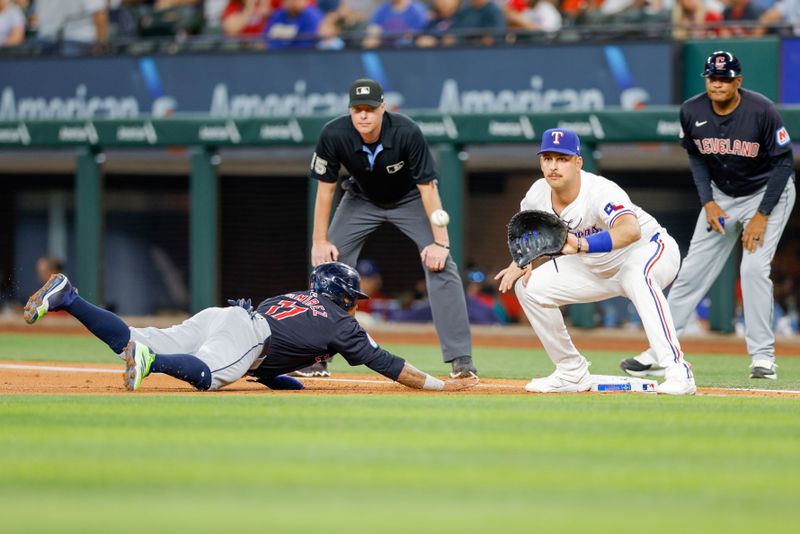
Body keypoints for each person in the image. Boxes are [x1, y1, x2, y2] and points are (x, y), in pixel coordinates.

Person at [23, 262, 478, 393]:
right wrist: (440, 386)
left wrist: (283, 381)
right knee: (206, 376)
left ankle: (70, 297)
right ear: (342, 296)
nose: (353, 307)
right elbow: (388, 364)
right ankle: (152, 363)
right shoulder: (341, 323)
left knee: (131, 336)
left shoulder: (291, 298)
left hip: (227, 315)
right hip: (250, 336)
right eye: (352, 299)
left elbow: (274, 356)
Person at [621, 51, 796, 380]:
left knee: (754, 269)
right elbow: (697, 159)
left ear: (738, 82)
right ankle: (662, 351)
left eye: (725, 78)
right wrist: (708, 202)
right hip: (721, 197)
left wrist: (761, 215)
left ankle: (762, 357)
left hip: (767, 193)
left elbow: (784, 163)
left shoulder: (762, 110)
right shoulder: (691, 110)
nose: (718, 83)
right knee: (690, 274)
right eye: (713, 78)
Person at [495, 128, 696, 395]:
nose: (553, 166)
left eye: (562, 158)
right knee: (528, 288)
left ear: (578, 162)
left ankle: (678, 371)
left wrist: (582, 244)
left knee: (637, 276)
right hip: (593, 266)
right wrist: (523, 258)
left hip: (649, 250)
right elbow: (528, 231)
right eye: (547, 158)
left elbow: (630, 230)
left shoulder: (600, 190)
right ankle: (571, 372)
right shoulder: (537, 193)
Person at [305, 78, 477, 379]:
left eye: (369, 109)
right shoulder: (334, 134)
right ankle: (316, 356)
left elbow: (428, 189)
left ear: (382, 107)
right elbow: (325, 191)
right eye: (357, 109)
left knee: (441, 266)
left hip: (410, 199)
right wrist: (319, 240)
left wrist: (441, 242)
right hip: (360, 199)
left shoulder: (406, 131)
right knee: (328, 269)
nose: (363, 115)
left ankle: (461, 359)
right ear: (350, 111)